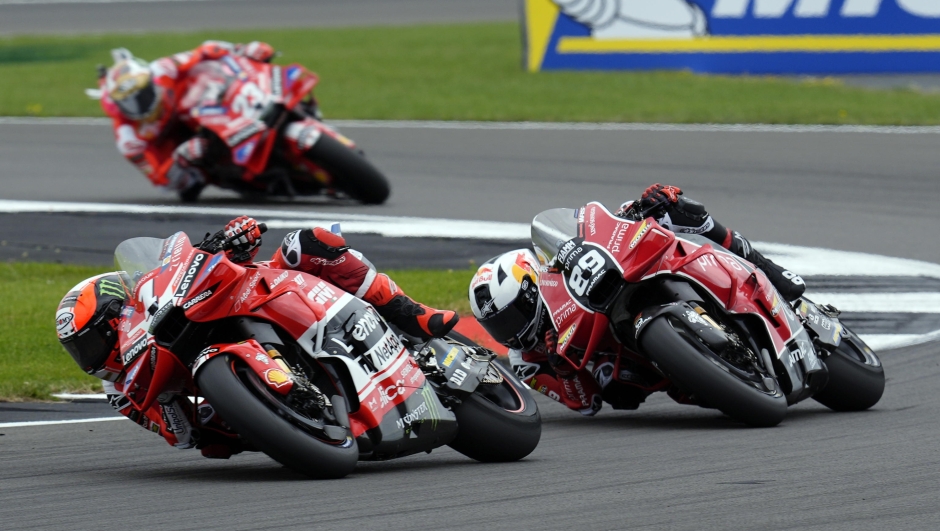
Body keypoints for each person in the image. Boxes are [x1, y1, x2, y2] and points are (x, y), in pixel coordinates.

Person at [56, 217, 458, 458]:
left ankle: (413, 314)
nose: (91, 357)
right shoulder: (125, 393)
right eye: (80, 351)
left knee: (310, 242)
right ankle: (306, 418)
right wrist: (208, 419)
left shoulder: (158, 293)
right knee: (215, 441)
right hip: (248, 403)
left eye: (91, 341)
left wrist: (235, 238)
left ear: (121, 313)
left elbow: (205, 260)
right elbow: (180, 436)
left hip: (271, 290)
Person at [468, 183, 806, 417]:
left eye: (512, 316)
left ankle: (770, 271)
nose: (510, 331)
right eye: (498, 326)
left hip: (630, 285)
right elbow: (584, 405)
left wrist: (640, 207)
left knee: (675, 210)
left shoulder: (558, 274)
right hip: (636, 365)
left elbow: (596, 230)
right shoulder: (527, 363)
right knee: (613, 382)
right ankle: (715, 371)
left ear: (533, 288)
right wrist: (564, 370)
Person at [98, 40, 276, 200]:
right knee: (188, 184)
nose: (140, 105)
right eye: (129, 103)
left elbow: (206, 49)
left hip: (204, 107)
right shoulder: (128, 139)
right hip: (184, 148)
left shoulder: (163, 68)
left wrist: (242, 50)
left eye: (143, 94)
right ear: (117, 106)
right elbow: (161, 180)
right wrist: (181, 157)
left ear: (150, 80)